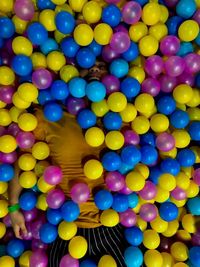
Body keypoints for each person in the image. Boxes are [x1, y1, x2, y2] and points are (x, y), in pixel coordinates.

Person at [8, 61, 127, 267]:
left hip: (108, 224)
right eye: (88, 66)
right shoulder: (50, 116)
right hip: (64, 225)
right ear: (71, 76)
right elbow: (24, 163)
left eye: (102, 66)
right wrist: (14, 207)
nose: (95, 69)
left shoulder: (118, 119)